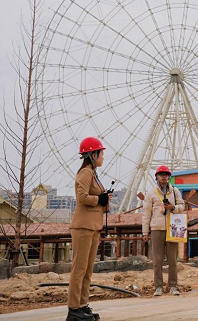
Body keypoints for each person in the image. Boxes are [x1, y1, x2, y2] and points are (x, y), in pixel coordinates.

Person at [67, 137, 110, 321]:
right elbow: (82, 197)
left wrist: (104, 199)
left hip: (93, 227)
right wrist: (98, 199)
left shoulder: (93, 173)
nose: (103, 157)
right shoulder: (85, 173)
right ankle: (73, 308)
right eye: (101, 153)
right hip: (83, 226)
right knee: (79, 268)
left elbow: (95, 198)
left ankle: (82, 304)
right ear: (93, 154)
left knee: (87, 270)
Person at [142, 165, 185, 297]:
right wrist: (145, 232)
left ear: (169, 177)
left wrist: (172, 208)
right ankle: (158, 286)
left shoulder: (174, 192)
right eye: (161, 174)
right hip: (157, 229)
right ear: (156, 177)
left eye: (166, 174)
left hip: (172, 228)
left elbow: (182, 206)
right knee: (157, 260)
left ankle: (173, 286)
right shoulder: (151, 193)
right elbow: (146, 214)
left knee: (173, 259)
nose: (164, 176)